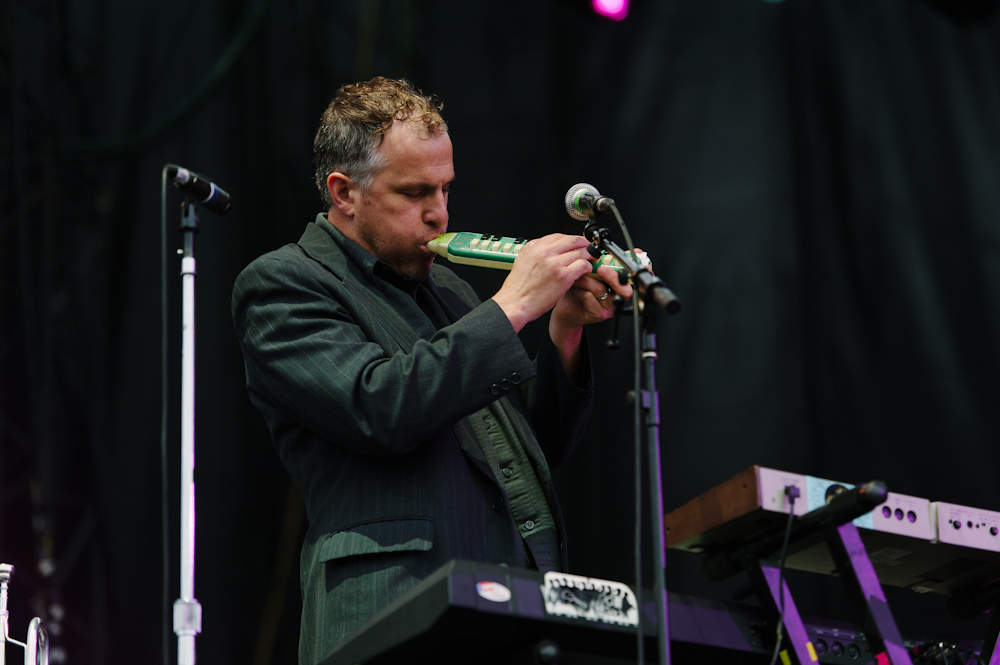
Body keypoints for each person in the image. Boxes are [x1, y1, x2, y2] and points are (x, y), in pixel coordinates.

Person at [231, 77, 632, 664]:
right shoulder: (282, 284)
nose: (439, 214)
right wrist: (514, 304)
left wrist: (563, 326)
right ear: (344, 192)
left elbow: (526, 455)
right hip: (392, 615)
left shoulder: (445, 287)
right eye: (415, 193)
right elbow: (378, 407)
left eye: (445, 189)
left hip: (515, 613)